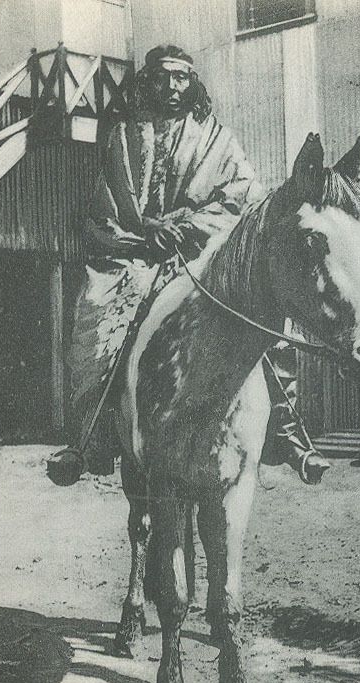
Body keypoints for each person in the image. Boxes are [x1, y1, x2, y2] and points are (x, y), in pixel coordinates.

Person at [48, 44, 327, 486]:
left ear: (192, 82)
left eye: (180, 78)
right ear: (148, 83)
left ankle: (289, 432)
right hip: (135, 258)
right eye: (161, 78)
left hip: (205, 259)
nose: (172, 87)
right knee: (98, 323)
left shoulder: (219, 139)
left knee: (268, 324)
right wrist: (146, 231)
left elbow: (244, 199)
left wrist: (191, 225)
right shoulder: (122, 137)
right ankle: (91, 436)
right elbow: (103, 214)